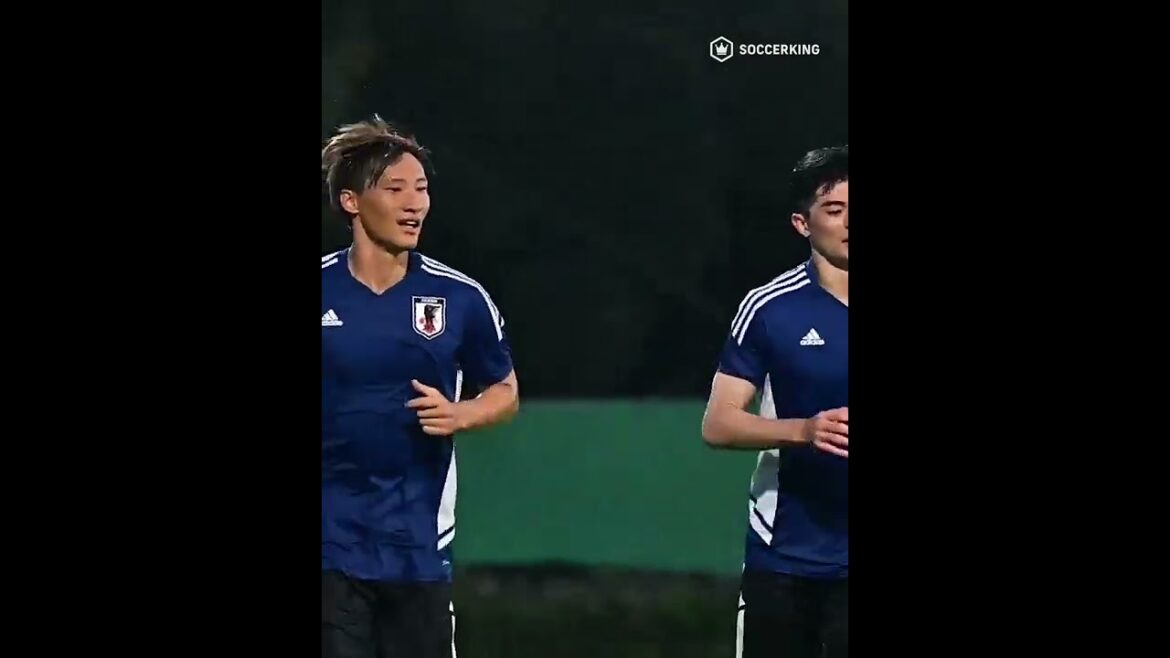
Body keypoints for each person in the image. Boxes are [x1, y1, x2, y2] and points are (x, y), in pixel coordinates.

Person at [321, 116, 520, 658]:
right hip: (330, 545)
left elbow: (504, 390)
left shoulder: (460, 298)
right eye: (396, 189)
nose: (415, 204)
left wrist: (461, 414)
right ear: (351, 202)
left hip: (418, 547)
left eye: (422, 188)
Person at [701, 145, 848, 658]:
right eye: (835, 209)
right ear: (802, 224)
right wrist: (803, 431)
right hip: (786, 559)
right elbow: (718, 424)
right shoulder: (770, 307)